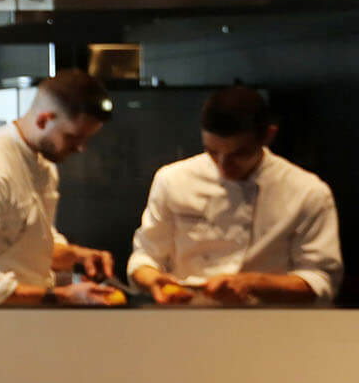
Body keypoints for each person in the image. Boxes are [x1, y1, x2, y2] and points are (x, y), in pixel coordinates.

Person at [129, 85, 342, 306]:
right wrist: (152, 280)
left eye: (239, 154)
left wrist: (254, 283)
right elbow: (145, 256)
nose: (223, 166)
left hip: (270, 320)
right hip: (186, 315)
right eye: (212, 152)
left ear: (268, 136)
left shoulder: (308, 191)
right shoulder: (172, 179)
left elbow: (320, 281)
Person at [0, 69, 121, 306]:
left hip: (30, 318)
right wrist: (62, 296)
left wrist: (77, 256)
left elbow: (30, 245)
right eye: (73, 137)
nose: (81, 148)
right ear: (44, 120)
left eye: (87, 138)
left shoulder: (44, 166)